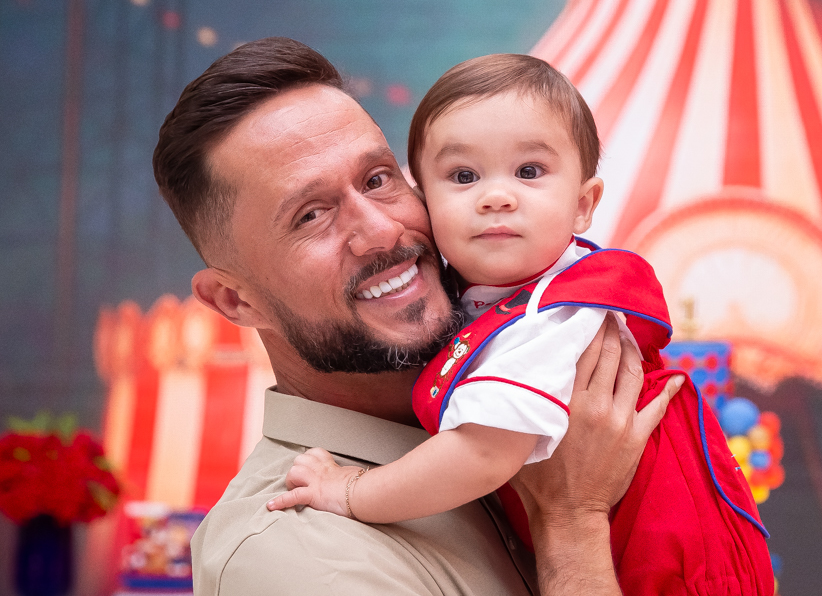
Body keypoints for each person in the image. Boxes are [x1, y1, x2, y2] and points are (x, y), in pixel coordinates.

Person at [152, 37, 682, 595]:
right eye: (311, 215)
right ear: (237, 301)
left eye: (378, 179)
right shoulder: (293, 555)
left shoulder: (522, 369)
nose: (382, 231)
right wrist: (572, 520)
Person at [268, 54, 774, 596]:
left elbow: (482, 455)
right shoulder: (494, 298)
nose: (496, 196)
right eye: (463, 176)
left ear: (583, 205)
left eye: (529, 172)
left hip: (672, 569)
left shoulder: (552, 317)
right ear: (423, 201)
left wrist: (350, 492)